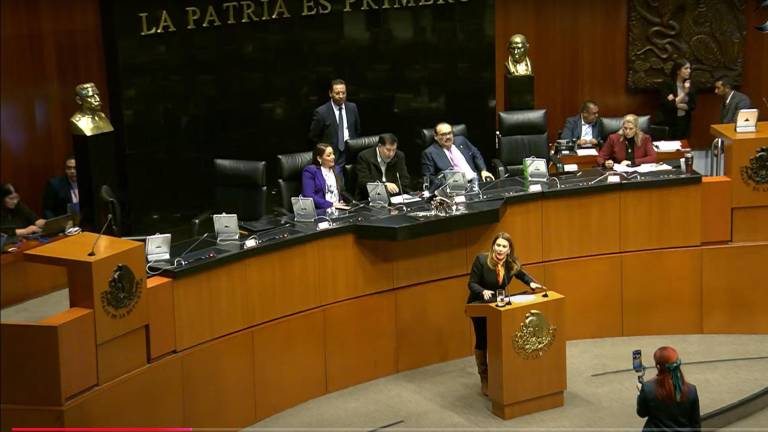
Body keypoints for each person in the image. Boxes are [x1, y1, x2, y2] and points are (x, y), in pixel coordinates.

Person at [467, 232, 545, 396]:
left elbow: (522, 274)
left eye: (504, 246)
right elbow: (472, 284)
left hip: (500, 306)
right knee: (483, 339)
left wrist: (531, 283)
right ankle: (485, 378)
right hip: (480, 304)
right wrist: (482, 291)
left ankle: (501, 374)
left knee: (501, 339)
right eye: (498, 245)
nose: (500, 249)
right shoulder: (481, 260)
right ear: (493, 246)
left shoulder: (511, 263)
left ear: (509, 250)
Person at [637, 346, 701, 432]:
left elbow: (642, 413)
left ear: (658, 367)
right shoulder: (692, 390)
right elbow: (696, 424)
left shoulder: (648, 388)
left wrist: (640, 393)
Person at [421, 122, 494, 189]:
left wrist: (483, 170)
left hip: (476, 182)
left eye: (450, 133)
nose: (448, 137)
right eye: (443, 134)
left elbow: (476, 153)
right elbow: (429, 177)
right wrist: (446, 185)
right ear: (436, 137)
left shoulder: (461, 140)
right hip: (453, 189)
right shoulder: (429, 153)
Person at [308, 79, 361, 167]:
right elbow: (313, 137)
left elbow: (357, 130)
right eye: (337, 93)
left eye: (343, 93)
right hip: (332, 156)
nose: (341, 96)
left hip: (351, 154)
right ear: (330, 93)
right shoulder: (321, 112)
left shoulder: (352, 107)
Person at [355, 133, 411, 199]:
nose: (391, 154)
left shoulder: (399, 156)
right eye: (388, 150)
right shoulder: (364, 157)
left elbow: (405, 180)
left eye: (394, 150)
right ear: (379, 146)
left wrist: (394, 188)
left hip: (394, 197)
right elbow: (363, 182)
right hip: (370, 198)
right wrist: (384, 185)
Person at [301, 143, 350, 212]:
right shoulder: (310, 171)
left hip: (338, 209)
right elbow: (308, 195)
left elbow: (341, 190)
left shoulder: (337, 169)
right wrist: (331, 204)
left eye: (333, 154)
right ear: (319, 158)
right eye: (329, 155)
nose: (333, 157)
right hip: (320, 211)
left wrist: (341, 200)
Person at [657, 59, 696, 139]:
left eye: (689, 68)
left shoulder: (689, 84)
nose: (689, 71)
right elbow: (668, 105)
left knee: (683, 144)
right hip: (670, 121)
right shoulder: (667, 84)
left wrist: (676, 103)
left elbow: (692, 105)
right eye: (686, 68)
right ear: (678, 71)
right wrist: (684, 93)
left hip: (684, 121)